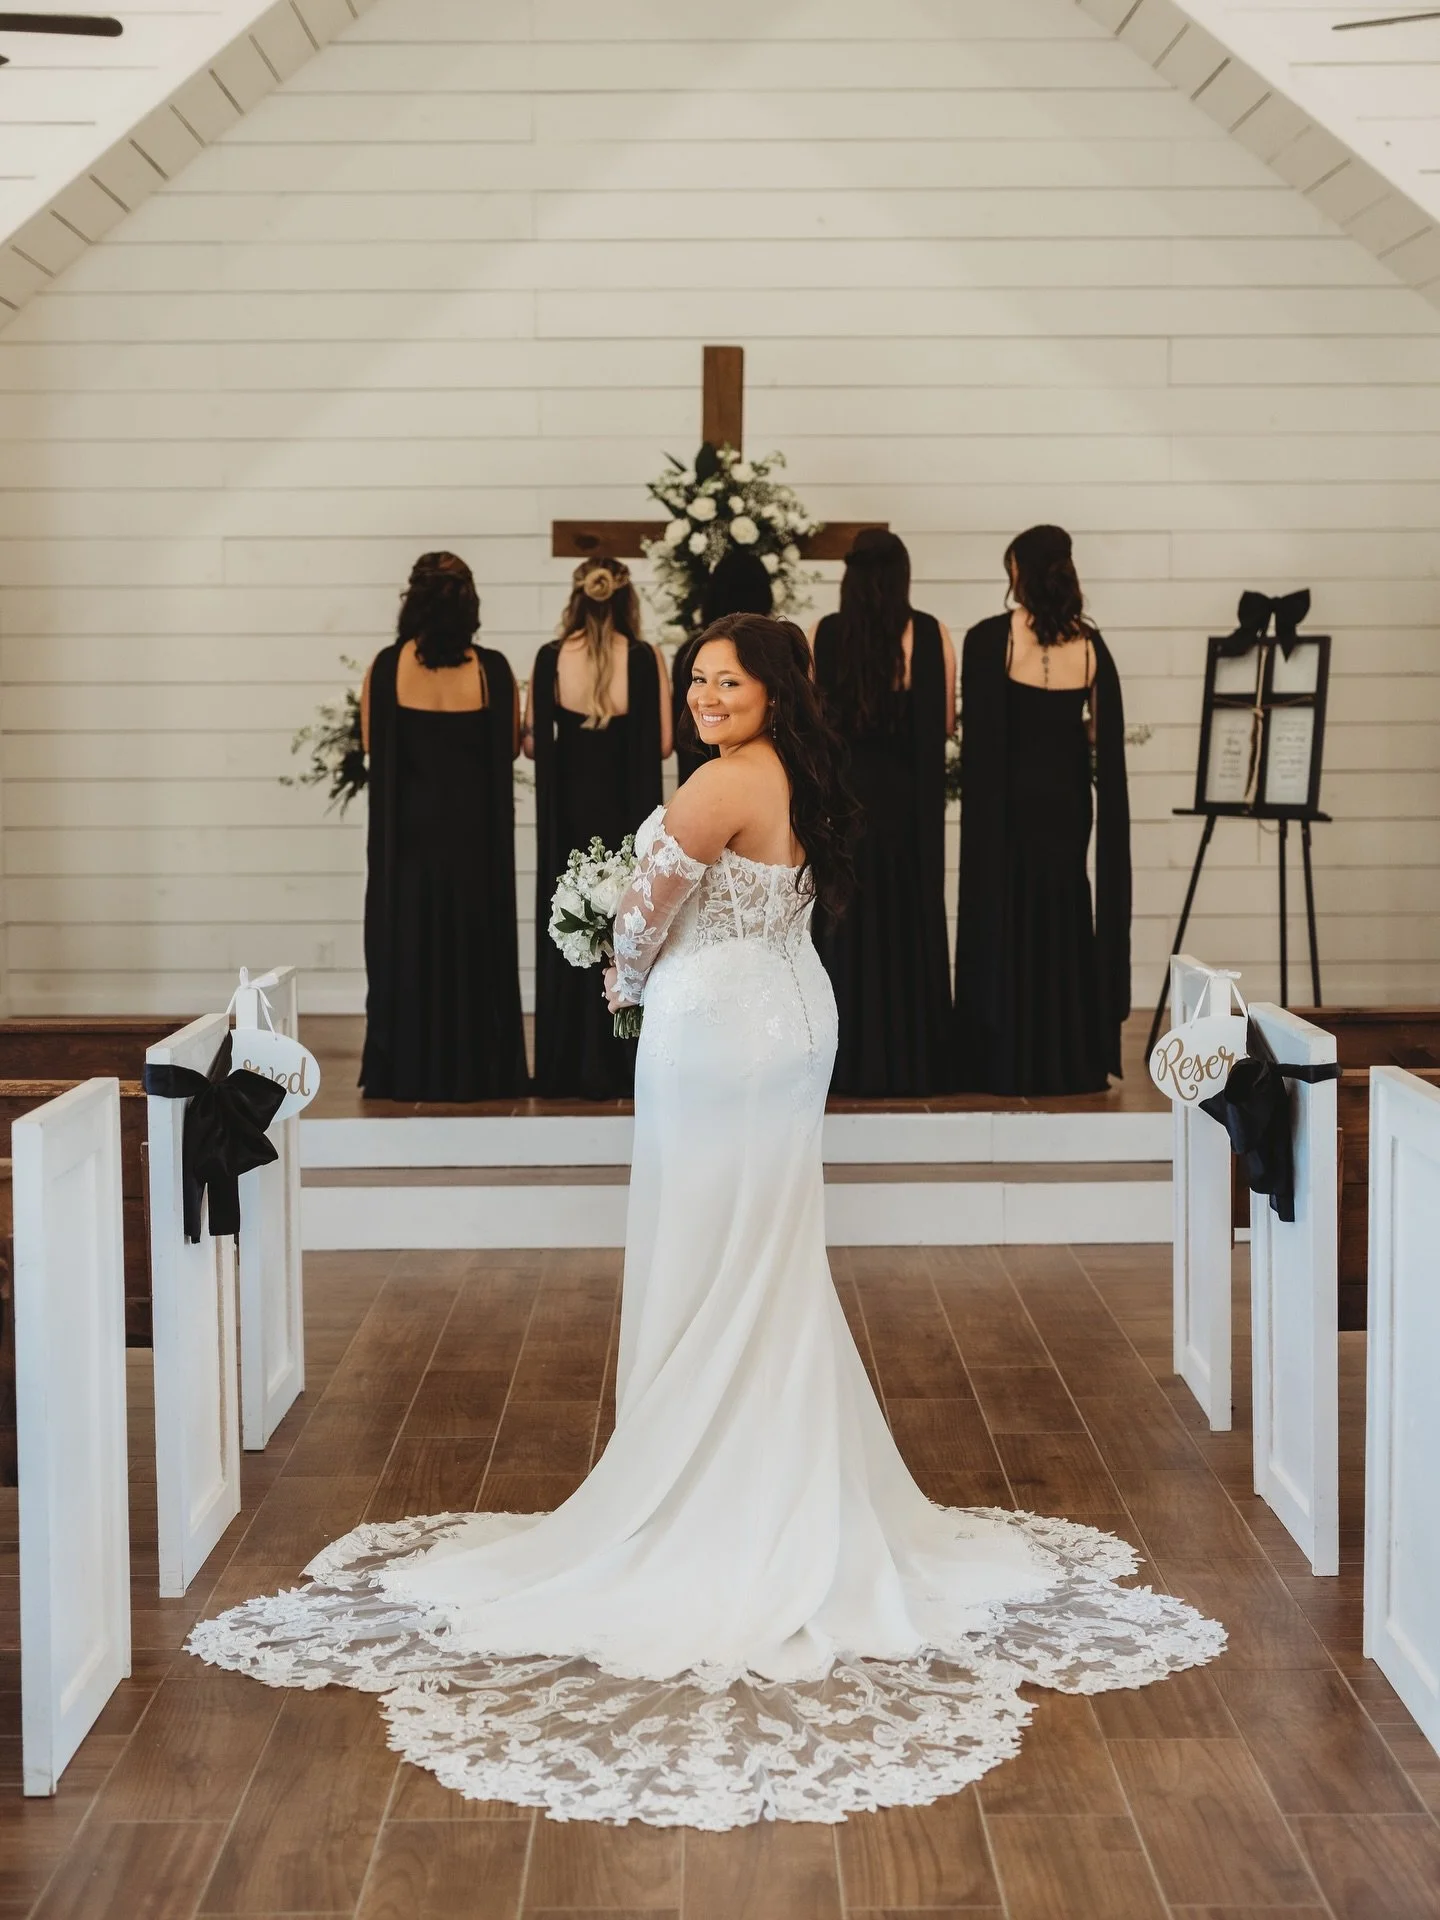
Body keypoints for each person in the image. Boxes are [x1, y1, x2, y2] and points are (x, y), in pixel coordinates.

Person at [192, 613, 1219, 1829]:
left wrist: (618, 970)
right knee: (764, 1250)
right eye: (694, 683)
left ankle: (709, 1486)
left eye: (725, 682)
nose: (703, 698)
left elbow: (638, 916)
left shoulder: (720, 783)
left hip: (720, 1028)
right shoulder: (787, 774)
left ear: (771, 690)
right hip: (785, 1013)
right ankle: (775, 1465)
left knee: (712, 1244)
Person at [953, 525, 1131, 1095]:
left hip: (1009, 806)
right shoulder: (1092, 646)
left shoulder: (991, 639)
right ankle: (1067, 1056)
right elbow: (1102, 734)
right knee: (1064, 911)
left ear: (1020, 574)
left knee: (1008, 913)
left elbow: (977, 732)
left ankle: (1007, 1055)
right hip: (1067, 801)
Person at [358, 551, 527, 1101]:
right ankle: (476, 1069)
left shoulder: (385, 668)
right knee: (472, 955)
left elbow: (369, 746)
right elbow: (506, 752)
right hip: (474, 846)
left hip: (406, 845)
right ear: (470, 604)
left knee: (406, 952)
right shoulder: (493, 670)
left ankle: (405, 1070)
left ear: (412, 602)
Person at [811, 529, 955, 1095]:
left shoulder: (825, 633)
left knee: (845, 924)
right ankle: (911, 1057)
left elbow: (814, 724)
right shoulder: (927, 632)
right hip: (907, 801)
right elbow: (943, 724)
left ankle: (847, 1059)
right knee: (907, 920)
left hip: (845, 800)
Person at [524, 558, 671, 1099]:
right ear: (626, 598)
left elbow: (534, 743)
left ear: (577, 596)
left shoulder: (548, 659)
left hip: (569, 812)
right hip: (626, 807)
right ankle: (625, 1058)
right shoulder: (644, 657)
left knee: (571, 920)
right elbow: (660, 744)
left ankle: (568, 1062)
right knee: (632, 921)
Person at [671, 545, 774, 786]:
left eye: (728, 683)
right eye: (699, 680)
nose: (706, 698)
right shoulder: (694, 652)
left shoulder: (691, 651)